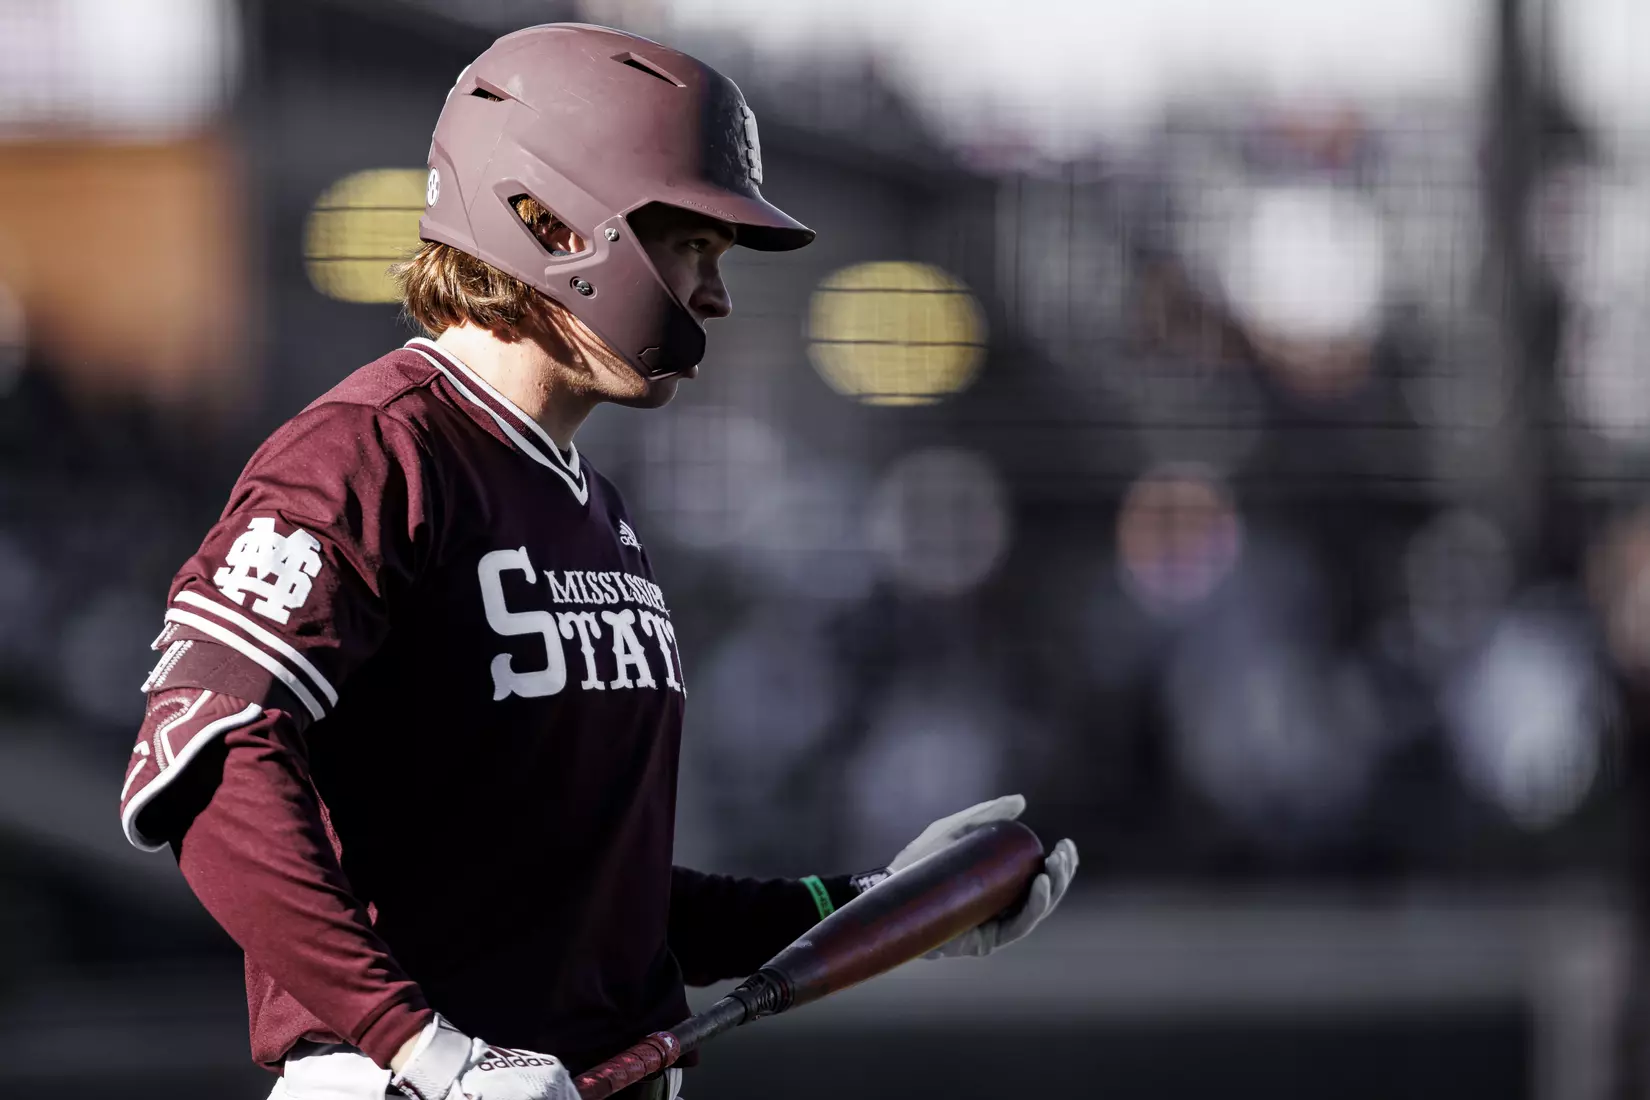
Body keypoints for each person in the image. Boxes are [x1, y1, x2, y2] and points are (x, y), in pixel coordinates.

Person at [116, 23, 1078, 1100]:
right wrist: (426, 1050)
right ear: (548, 219)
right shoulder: (371, 452)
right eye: (690, 245)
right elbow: (205, 757)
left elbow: (591, 898)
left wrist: (872, 902)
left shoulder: (592, 506)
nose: (714, 294)